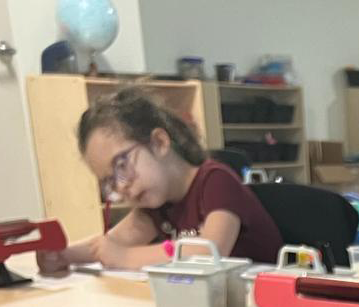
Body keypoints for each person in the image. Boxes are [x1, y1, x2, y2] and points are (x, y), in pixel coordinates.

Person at [37, 88, 281, 275]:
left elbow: (209, 252)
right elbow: (110, 244)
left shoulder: (217, 182)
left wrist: (126, 258)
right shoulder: (156, 204)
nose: (121, 187)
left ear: (159, 143)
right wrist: (64, 255)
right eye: (110, 182)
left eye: (122, 166)